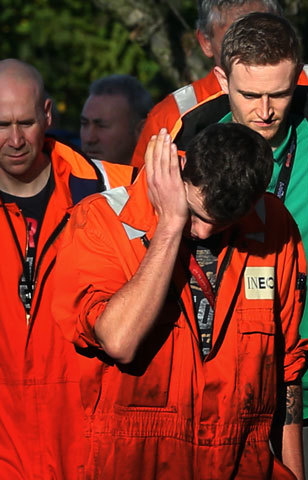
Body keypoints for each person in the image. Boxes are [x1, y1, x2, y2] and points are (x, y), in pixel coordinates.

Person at [171, 12, 308, 479]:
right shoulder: (183, 151)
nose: (265, 109)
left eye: (279, 93)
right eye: (249, 94)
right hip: (214, 402)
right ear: (222, 79)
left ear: (298, 79)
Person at [52, 123, 308, 479]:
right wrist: (171, 225)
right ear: (180, 174)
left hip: (242, 463)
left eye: (220, 224)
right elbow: (119, 341)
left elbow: (287, 364)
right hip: (135, 464)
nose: (203, 231)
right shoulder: (101, 221)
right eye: (197, 214)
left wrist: (294, 472)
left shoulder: (273, 225)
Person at [0, 59, 134, 479]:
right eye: (2, 125)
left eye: (26, 122)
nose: (16, 139)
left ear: (48, 114)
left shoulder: (111, 193)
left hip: (91, 450)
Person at [130, 0, 308, 169]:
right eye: (236, 36)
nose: (254, 43)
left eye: (266, 31)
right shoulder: (173, 115)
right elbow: (141, 211)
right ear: (205, 42)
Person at [80, 74, 153, 165]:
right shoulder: (65, 176)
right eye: (84, 123)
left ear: (141, 130)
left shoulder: (161, 178)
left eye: (101, 126)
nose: (89, 138)